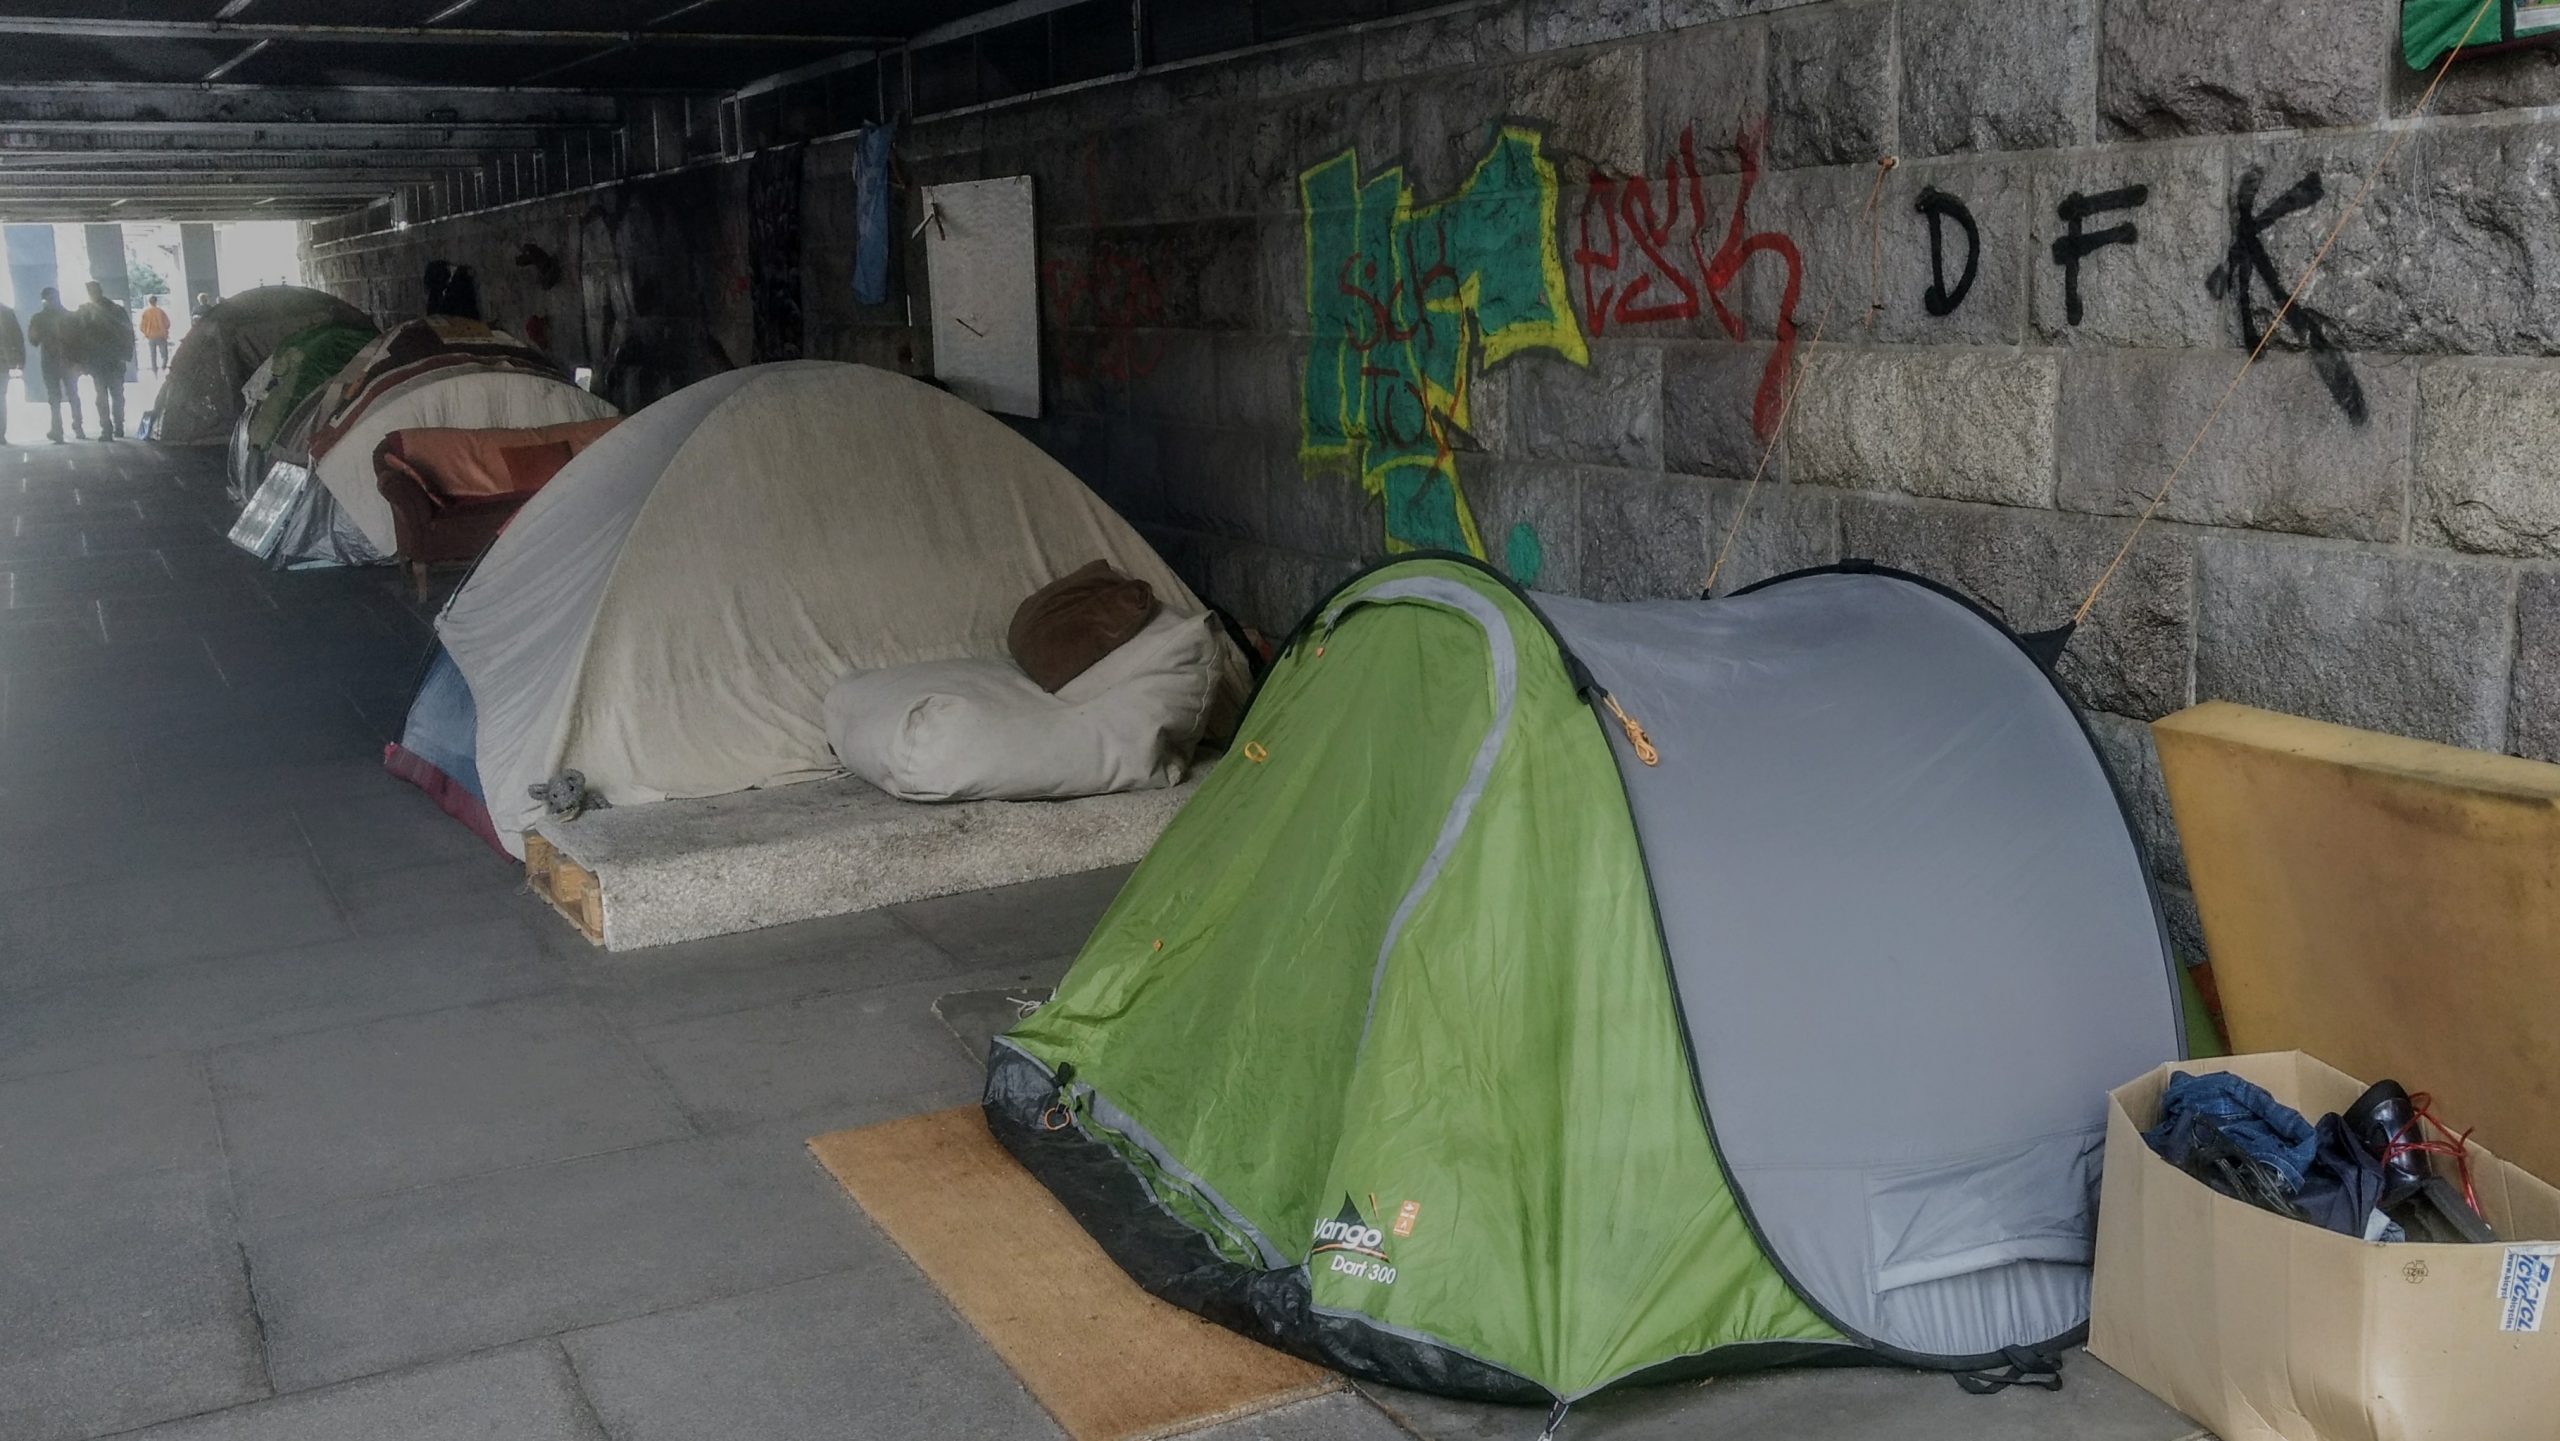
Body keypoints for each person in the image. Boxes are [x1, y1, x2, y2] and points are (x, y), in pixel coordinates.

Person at [24, 288, 85, 442]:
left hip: (50, 361)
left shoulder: (39, 318)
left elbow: (33, 341)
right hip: (68, 360)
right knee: (72, 394)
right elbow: (79, 340)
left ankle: (58, 429)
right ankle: (77, 427)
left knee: (55, 397)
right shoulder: (69, 316)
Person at [77, 281, 134, 441]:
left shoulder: (86, 312)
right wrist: (127, 354)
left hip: (98, 360)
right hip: (115, 358)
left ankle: (106, 428)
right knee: (116, 393)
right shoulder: (116, 310)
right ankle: (118, 425)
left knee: (101, 395)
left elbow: (81, 337)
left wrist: (83, 360)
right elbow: (128, 333)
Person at [0, 299, 21, 446]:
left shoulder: (7, 313)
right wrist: (20, 357)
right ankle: (0, 433)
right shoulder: (6, 312)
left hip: (2, 361)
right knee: (1, 398)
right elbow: (17, 337)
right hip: (3, 361)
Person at [138, 295, 171, 373]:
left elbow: (141, 326)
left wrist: (146, 333)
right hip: (161, 336)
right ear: (156, 301)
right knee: (164, 354)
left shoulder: (146, 312)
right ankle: (163, 367)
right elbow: (167, 323)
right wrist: (165, 330)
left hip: (151, 337)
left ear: (149, 302)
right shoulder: (161, 311)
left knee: (153, 355)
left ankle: (154, 371)